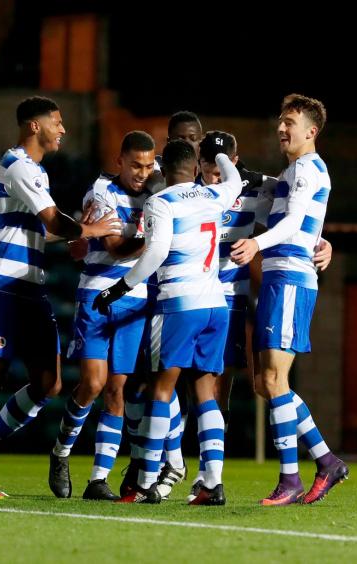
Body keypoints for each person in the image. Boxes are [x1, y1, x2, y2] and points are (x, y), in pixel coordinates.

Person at [0, 95, 121, 500]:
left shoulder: (33, 171)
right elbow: (54, 219)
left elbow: (39, 229)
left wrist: (69, 236)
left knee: (48, 382)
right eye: (57, 121)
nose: (63, 129)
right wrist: (86, 232)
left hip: (30, 286)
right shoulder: (17, 164)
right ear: (34, 125)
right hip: (1, 283)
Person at [94, 139, 244, 505]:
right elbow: (236, 181)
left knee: (162, 389)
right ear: (195, 168)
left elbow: (156, 250)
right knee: (205, 394)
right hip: (216, 305)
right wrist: (221, 155)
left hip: (179, 304)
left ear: (163, 171)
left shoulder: (160, 202)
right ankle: (212, 482)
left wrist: (119, 288)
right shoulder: (213, 196)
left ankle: (144, 483)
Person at [231, 93, 348, 505]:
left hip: (291, 281)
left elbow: (296, 220)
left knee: (274, 380)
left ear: (311, 131)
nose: (282, 128)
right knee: (266, 382)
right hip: (282, 280)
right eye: (281, 121)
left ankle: (291, 479)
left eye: (290, 122)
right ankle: (326, 460)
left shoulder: (308, 170)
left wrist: (255, 243)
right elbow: (299, 219)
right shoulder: (292, 173)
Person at [49, 131, 156, 501]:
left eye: (148, 165)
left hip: (135, 298)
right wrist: (160, 240)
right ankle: (60, 453)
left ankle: (98, 479)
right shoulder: (101, 192)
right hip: (97, 292)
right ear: (119, 162)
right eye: (135, 165)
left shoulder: (157, 189)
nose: (142, 173)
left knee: (117, 389)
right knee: (93, 384)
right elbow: (115, 247)